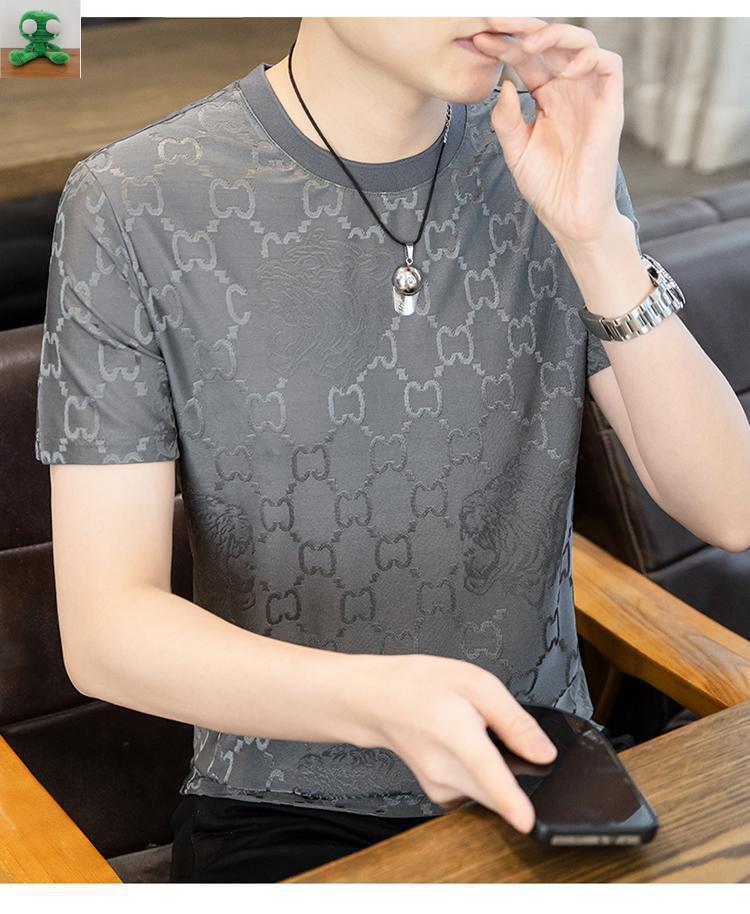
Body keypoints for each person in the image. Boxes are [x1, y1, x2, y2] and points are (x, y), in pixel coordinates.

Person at [34, 17, 643, 882]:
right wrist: (382, 702)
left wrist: (597, 239)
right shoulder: (133, 199)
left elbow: (727, 507)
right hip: (281, 806)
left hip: (547, 773)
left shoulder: (550, 152)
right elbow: (106, 633)